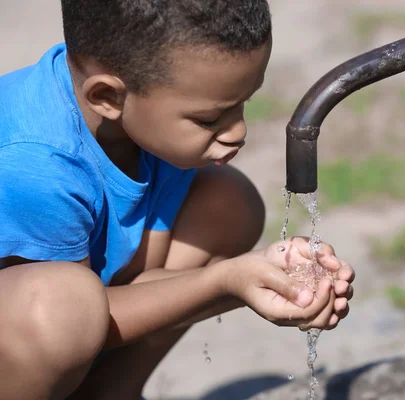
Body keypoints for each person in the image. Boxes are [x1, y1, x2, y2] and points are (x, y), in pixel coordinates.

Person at [0, 1, 355, 399]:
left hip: (73, 311)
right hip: (35, 329)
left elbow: (135, 288)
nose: (238, 132)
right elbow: (66, 320)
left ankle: (111, 393)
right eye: (210, 119)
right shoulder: (33, 160)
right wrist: (224, 282)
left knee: (230, 203)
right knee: (60, 304)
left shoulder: (136, 121)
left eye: (245, 103)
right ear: (107, 97)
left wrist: (254, 276)